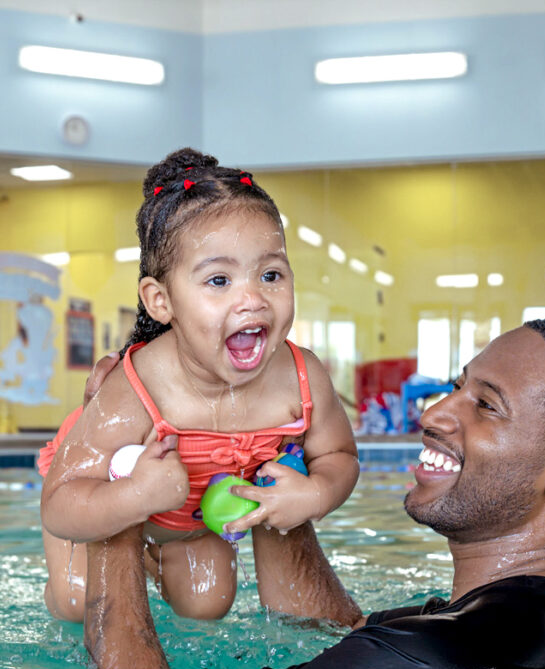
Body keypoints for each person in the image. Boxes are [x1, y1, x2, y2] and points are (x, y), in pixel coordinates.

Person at [82, 319, 545, 669]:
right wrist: (263, 458)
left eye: (485, 406)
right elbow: (338, 632)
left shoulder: (436, 652)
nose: (433, 414)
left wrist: (115, 496)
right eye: (458, 386)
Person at [39, 148, 361, 625]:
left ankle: (156, 555)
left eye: (270, 274)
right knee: (77, 601)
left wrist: (314, 495)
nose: (252, 298)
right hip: (107, 497)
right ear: (160, 301)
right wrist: (134, 498)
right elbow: (60, 503)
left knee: (206, 605)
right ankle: (120, 551)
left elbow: (339, 456)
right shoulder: (139, 385)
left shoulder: (301, 375)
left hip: (188, 523)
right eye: (218, 280)